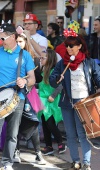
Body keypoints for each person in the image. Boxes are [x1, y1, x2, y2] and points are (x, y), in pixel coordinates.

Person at [0, 21, 35, 170]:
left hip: (18, 97)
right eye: (0, 38)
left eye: (3, 38)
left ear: (13, 37)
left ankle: (7, 163)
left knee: (12, 134)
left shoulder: (24, 55)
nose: (0, 41)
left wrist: (25, 81)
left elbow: (32, 78)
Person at [50, 27, 100, 169]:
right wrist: (57, 79)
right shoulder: (62, 63)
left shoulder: (89, 62)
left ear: (79, 46)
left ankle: (87, 163)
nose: (68, 48)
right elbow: (52, 79)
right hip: (67, 103)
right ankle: (76, 161)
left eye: (71, 46)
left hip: (83, 103)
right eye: (66, 46)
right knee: (71, 135)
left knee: (83, 134)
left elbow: (98, 78)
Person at [14, 32, 46, 165]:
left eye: (21, 41)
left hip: (28, 94)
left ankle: (38, 152)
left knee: (32, 123)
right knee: (14, 124)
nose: (19, 44)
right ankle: (16, 151)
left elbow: (38, 77)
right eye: (17, 41)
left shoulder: (30, 57)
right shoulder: (9, 56)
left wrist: (28, 79)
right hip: (13, 94)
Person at [38, 49, 66, 155]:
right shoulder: (44, 70)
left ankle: (60, 142)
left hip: (51, 100)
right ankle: (48, 145)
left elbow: (60, 85)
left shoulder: (54, 71)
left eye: (43, 58)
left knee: (50, 123)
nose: (40, 60)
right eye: (40, 57)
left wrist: (53, 95)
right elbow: (42, 85)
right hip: (44, 100)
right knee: (45, 124)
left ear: (49, 59)